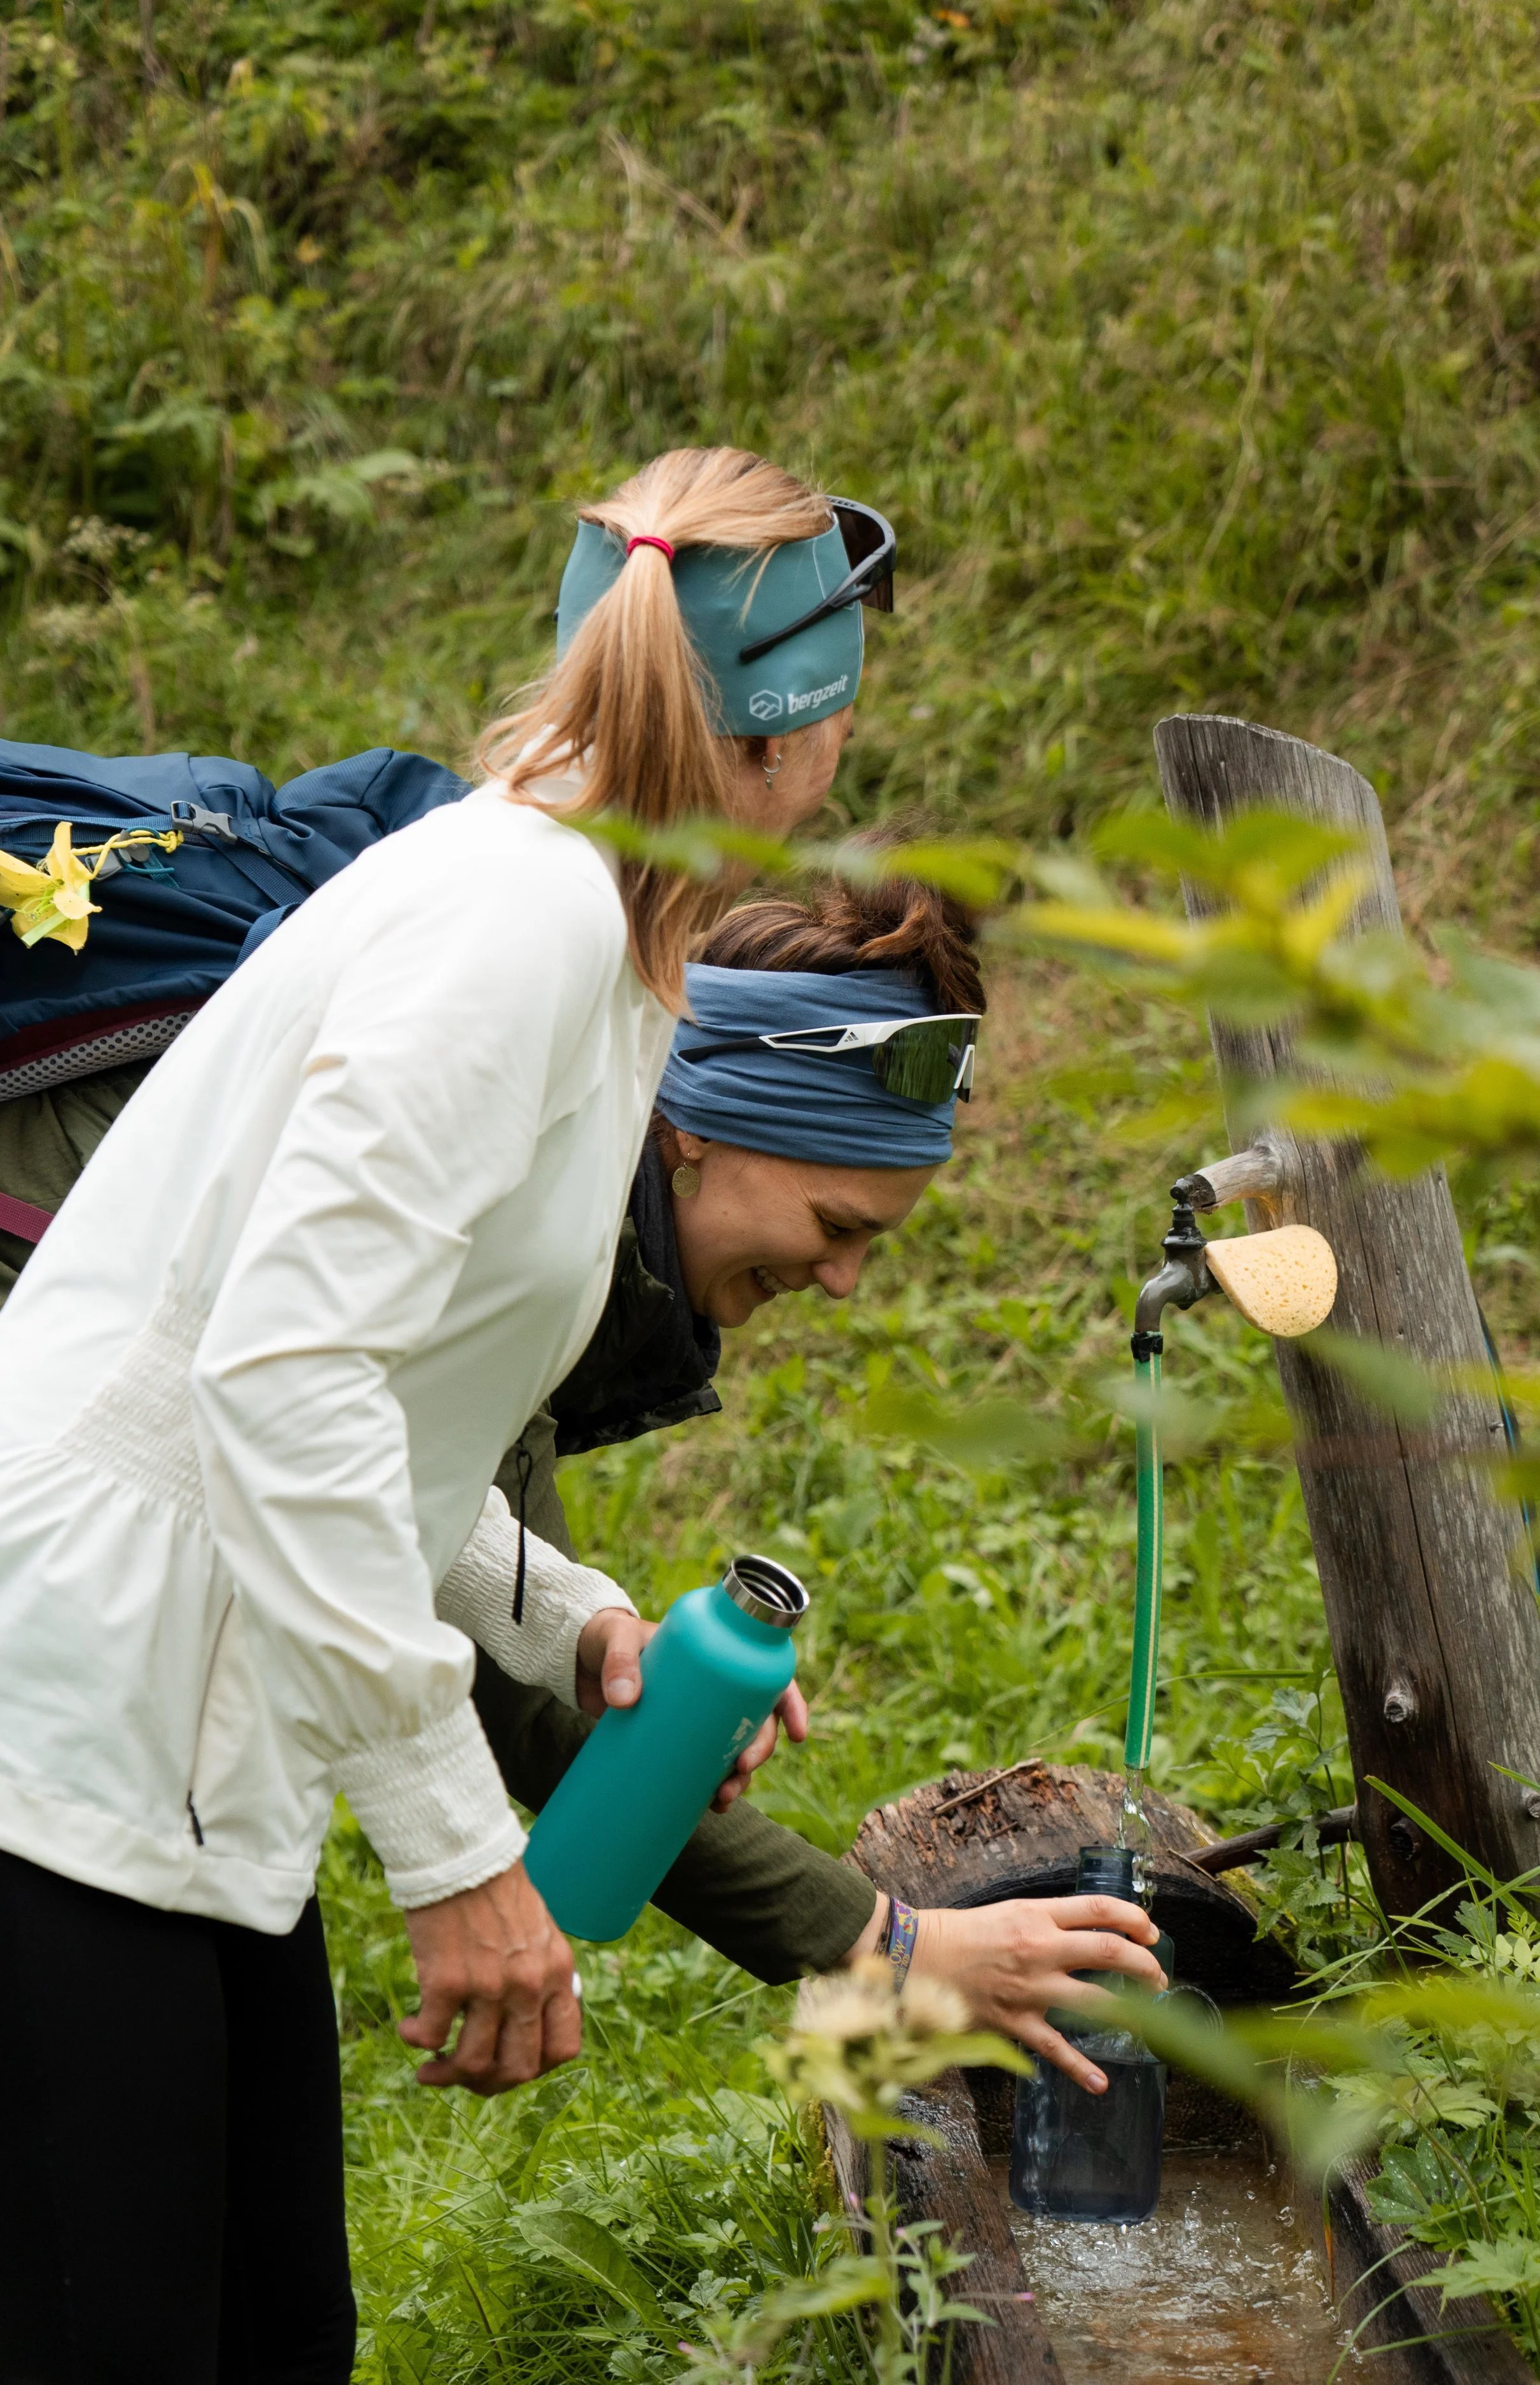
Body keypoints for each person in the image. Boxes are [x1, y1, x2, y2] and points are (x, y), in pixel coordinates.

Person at [0, 445, 883, 2384]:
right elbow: (279, 1372)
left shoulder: (591, 924)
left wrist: (558, 1613)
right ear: (801, 722)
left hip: (198, 1736)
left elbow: (352, 1388)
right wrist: (454, 1845)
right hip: (67, 1722)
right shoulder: (520, 923)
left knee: (271, 2333)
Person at [464, 862, 1167, 2070]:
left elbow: (497, 1619)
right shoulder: (516, 1232)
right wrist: (893, 1947)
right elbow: (471, 1640)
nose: (842, 1282)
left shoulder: (574, 1224)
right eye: (837, 1226)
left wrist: (607, 1645)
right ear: (691, 1126)